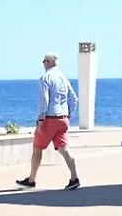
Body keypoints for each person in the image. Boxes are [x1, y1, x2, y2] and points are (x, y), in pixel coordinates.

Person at [16, 52, 80, 190]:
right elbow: (74, 99)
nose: (43, 64)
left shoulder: (45, 78)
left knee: (37, 148)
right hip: (63, 119)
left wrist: (41, 118)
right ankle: (74, 177)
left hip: (49, 119)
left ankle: (31, 180)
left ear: (49, 62)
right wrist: (69, 115)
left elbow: (44, 100)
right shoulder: (63, 78)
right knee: (64, 149)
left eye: (44, 61)